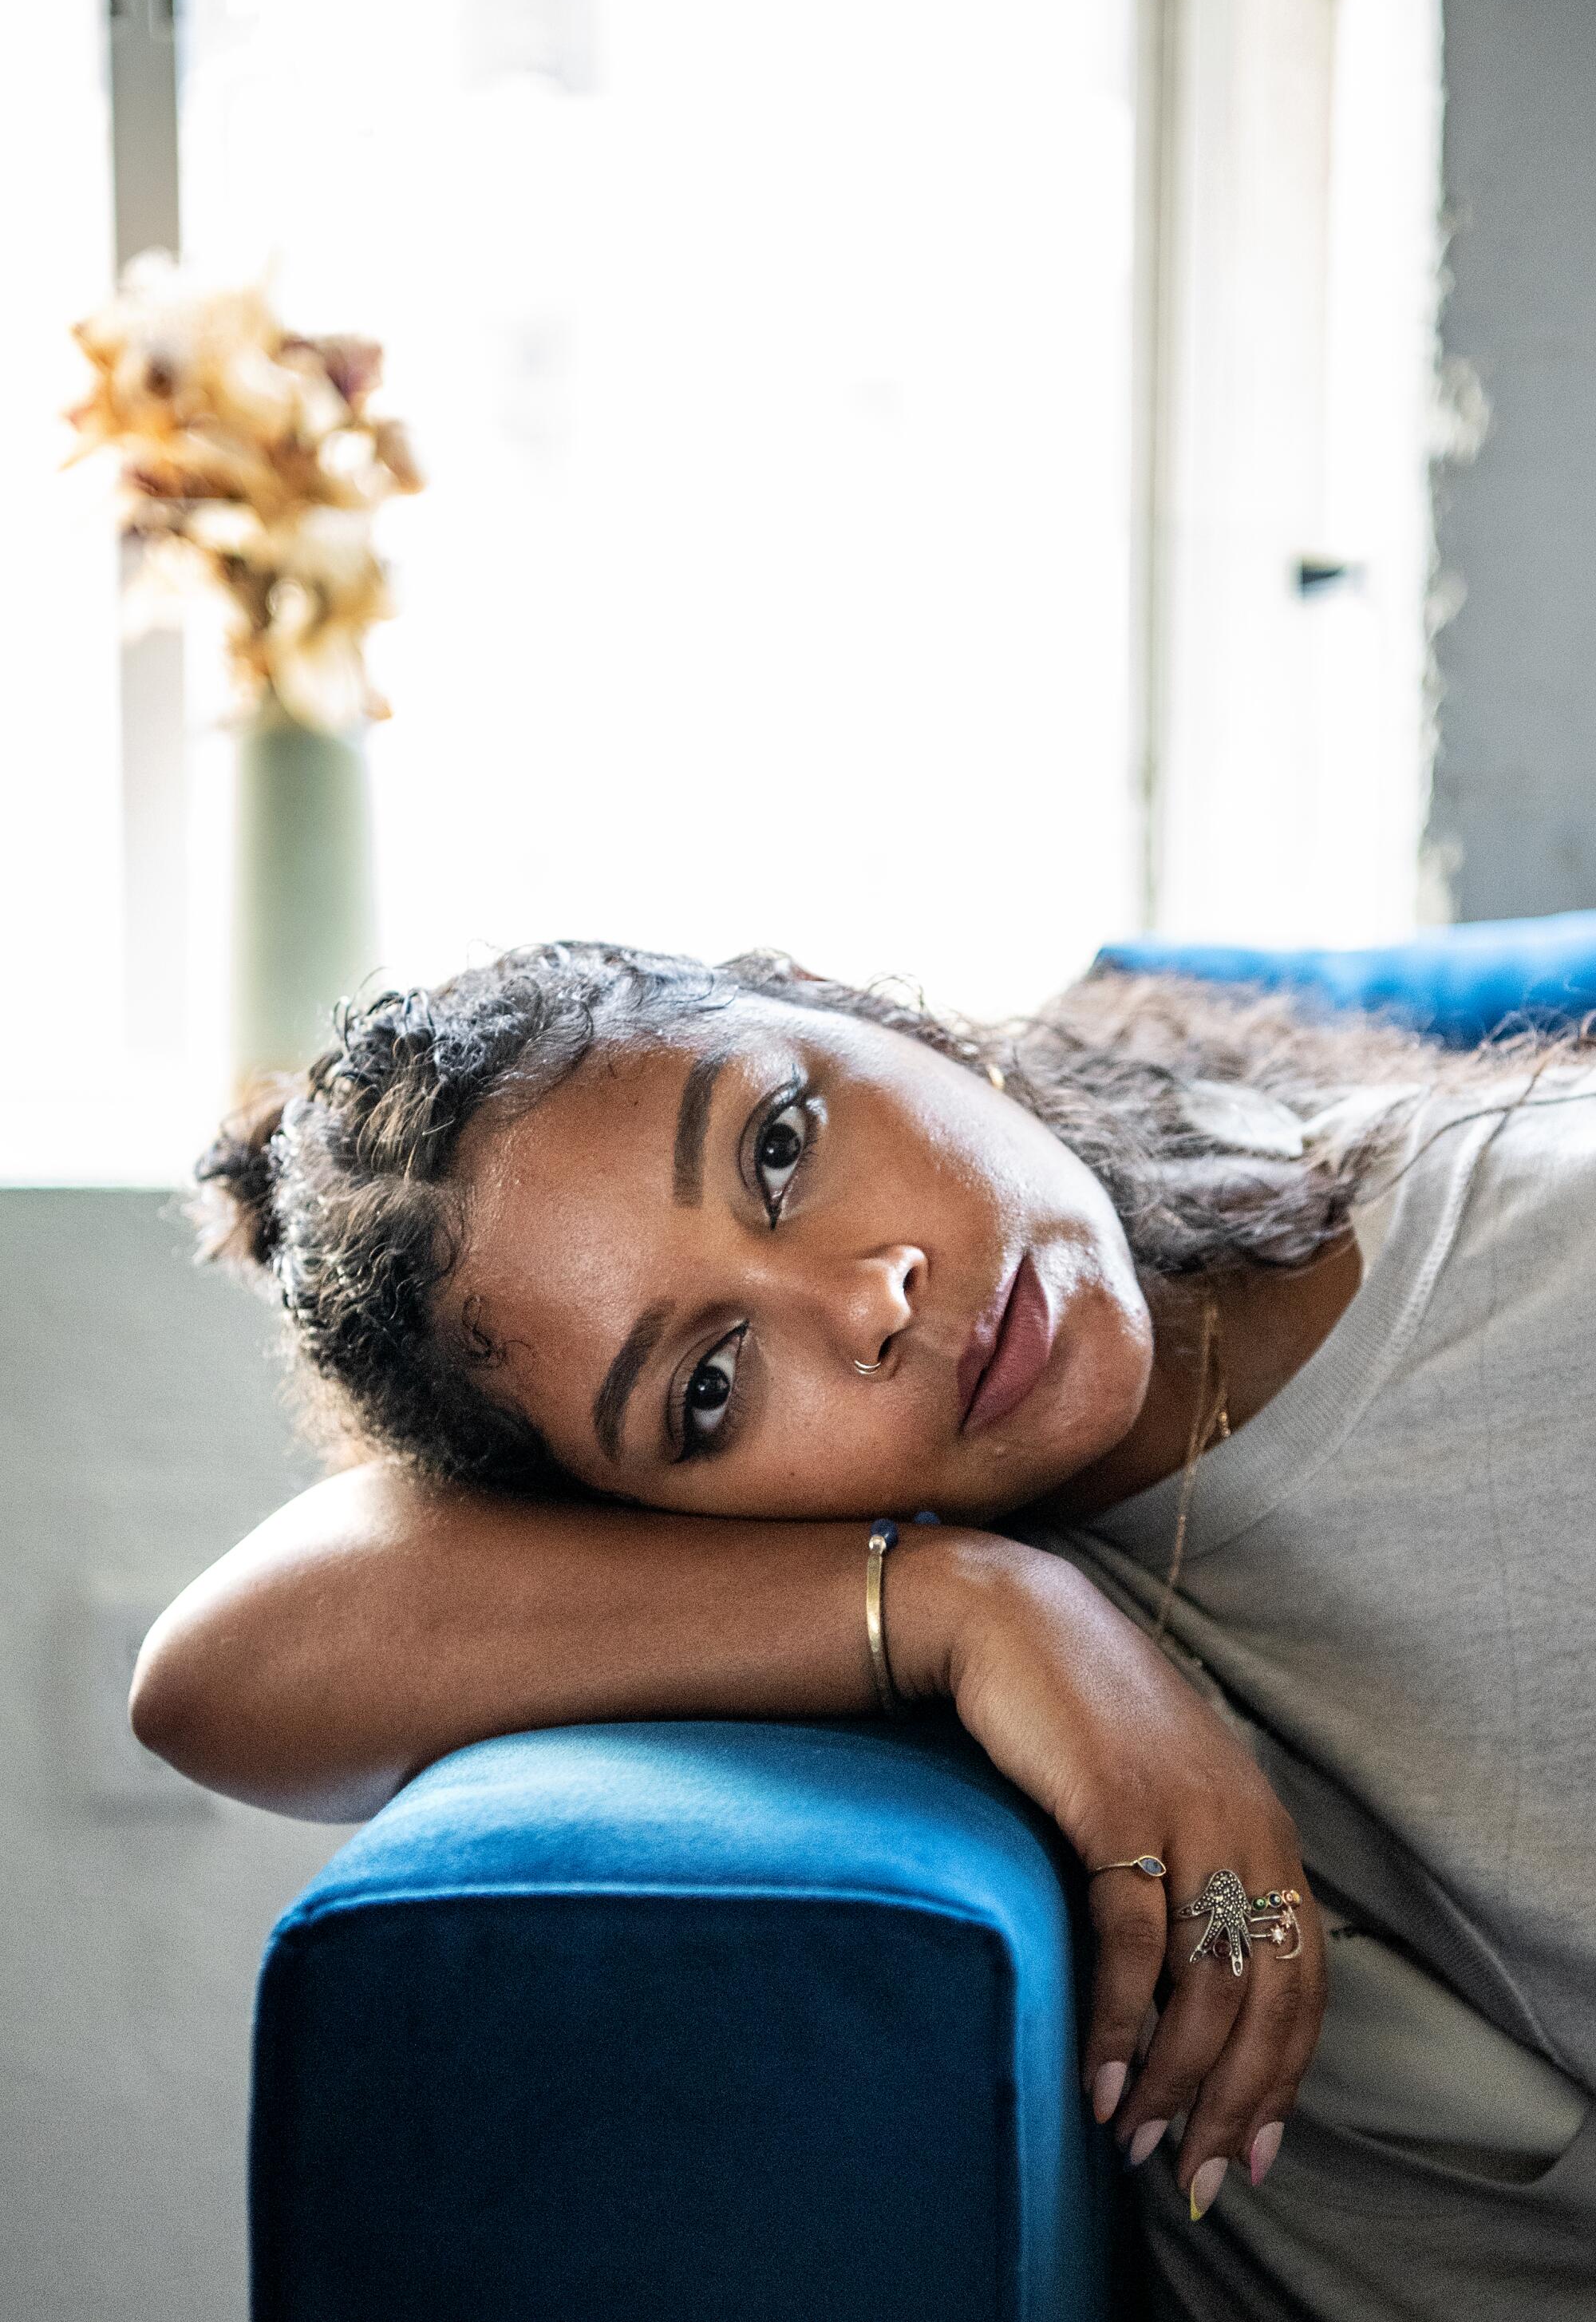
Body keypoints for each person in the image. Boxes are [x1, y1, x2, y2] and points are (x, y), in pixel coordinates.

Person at [131, 940, 1596, 2322]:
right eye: (709, 1387)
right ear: (645, 1523)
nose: (866, 1297)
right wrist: (970, 1604)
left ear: (865, 1015)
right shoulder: (952, 1574)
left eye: (778, 1147)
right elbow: (219, 1673)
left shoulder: (1542, 1254)